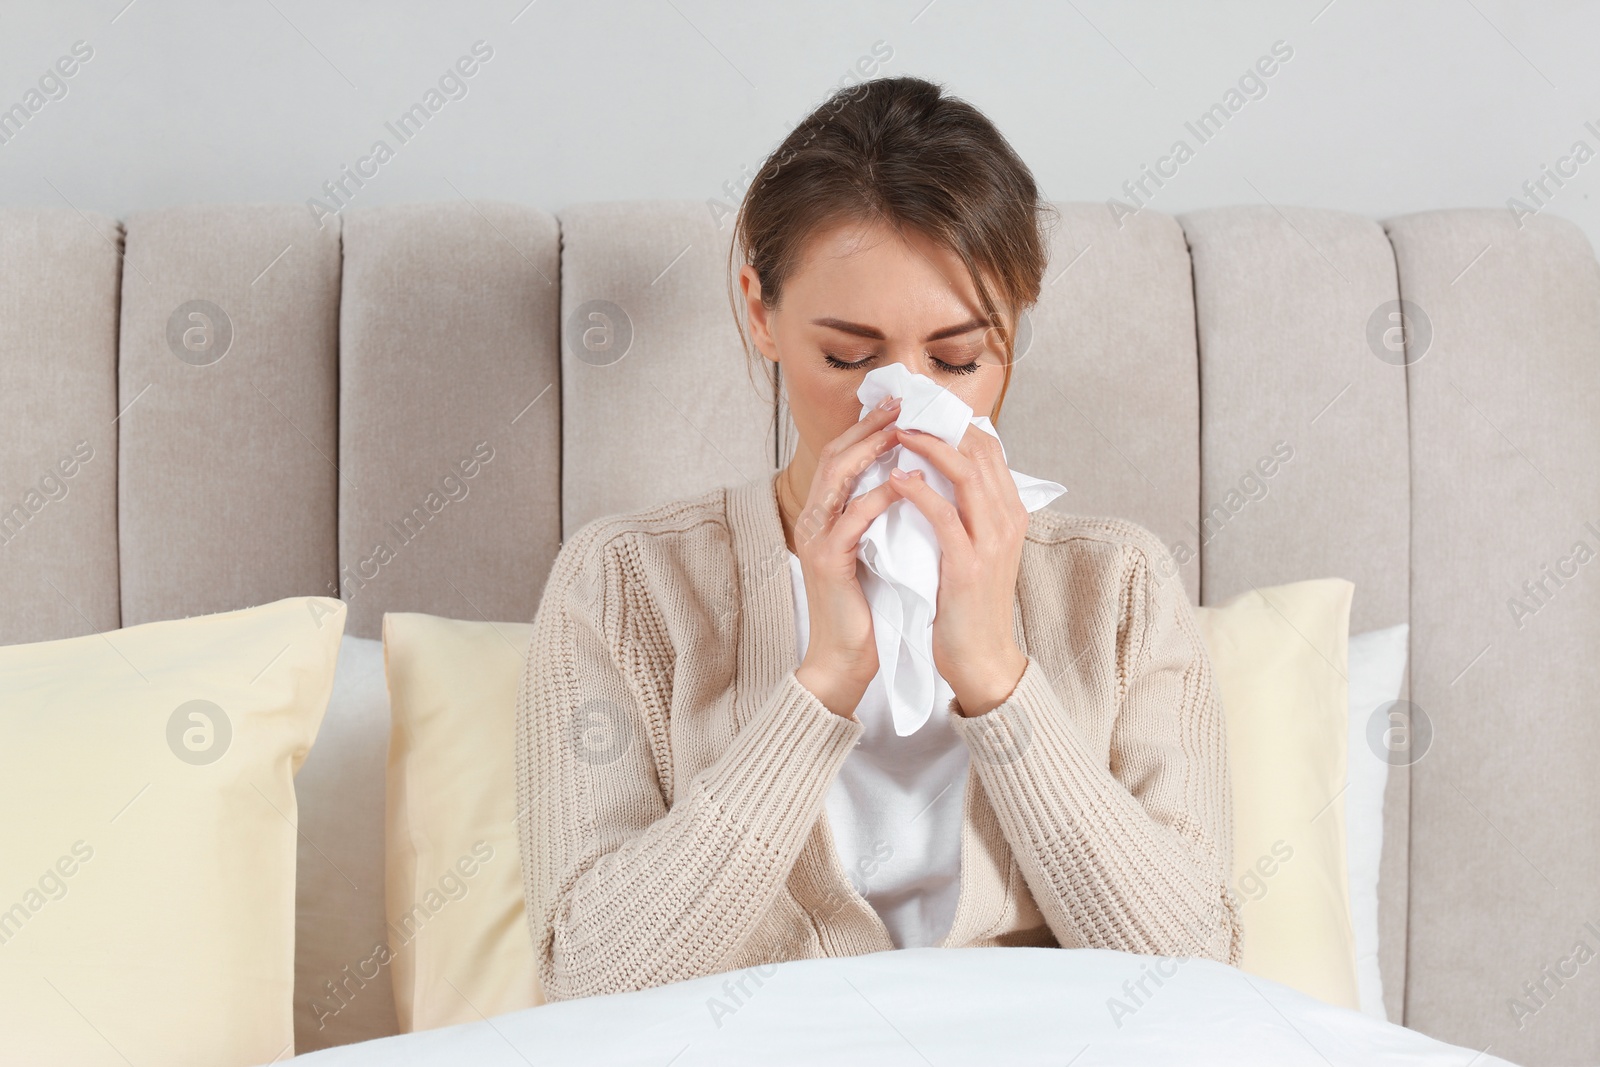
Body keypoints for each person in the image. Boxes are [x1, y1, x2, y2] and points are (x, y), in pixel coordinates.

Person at [514, 74, 1243, 1003]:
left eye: (957, 360)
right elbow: (586, 978)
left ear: (1014, 326)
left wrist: (995, 677)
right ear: (760, 311)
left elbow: (1200, 973)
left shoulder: (1120, 587)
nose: (903, 409)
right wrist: (823, 682)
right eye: (849, 358)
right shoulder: (625, 586)